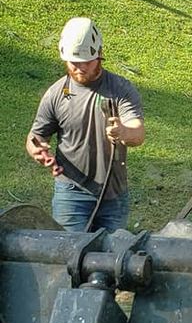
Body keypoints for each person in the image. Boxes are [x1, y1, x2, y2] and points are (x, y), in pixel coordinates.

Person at [26, 17, 145, 232]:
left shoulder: (121, 89)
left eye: (86, 62)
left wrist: (123, 131)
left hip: (114, 196)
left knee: (110, 261)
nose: (79, 67)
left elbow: (138, 133)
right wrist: (37, 150)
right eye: (74, 62)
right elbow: (36, 136)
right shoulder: (56, 94)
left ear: (99, 54)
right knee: (70, 256)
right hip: (71, 194)